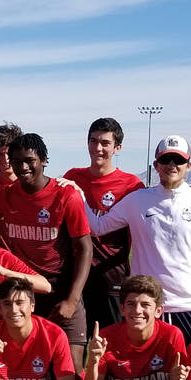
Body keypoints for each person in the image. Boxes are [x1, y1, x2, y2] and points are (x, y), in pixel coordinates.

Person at [82, 135, 191, 345]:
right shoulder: (137, 200)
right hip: (147, 307)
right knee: (147, 375)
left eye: (179, 160)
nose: (172, 165)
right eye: (166, 160)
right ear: (156, 165)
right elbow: (99, 227)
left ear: (189, 165)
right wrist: (79, 195)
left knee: (189, 373)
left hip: (190, 306)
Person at [0, 133, 92, 366]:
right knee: (28, 364)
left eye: (29, 160)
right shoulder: (4, 197)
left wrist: (72, 300)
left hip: (62, 289)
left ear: (43, 160)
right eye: (16, 161)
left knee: (72, 367)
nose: (23, 166)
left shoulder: (65, 195)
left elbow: (84, 249)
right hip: (25, 290)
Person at [62, 118, 145, 329]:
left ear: (117, 147)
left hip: (112, 278)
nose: (98, 148)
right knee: (78, 345)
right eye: (93, 141)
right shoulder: (72, 177)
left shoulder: (132, 185)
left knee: (112, 344)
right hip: (77, 276)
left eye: (105, 143)